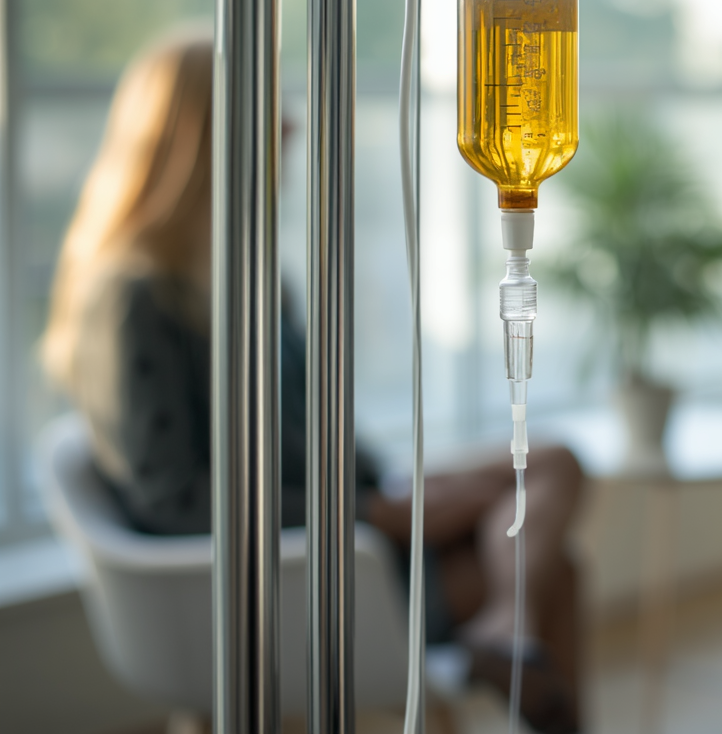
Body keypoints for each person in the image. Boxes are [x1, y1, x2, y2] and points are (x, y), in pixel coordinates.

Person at [41, 37, 585, 734]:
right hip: (292, 575)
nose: (293, 124)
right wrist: (362, 512)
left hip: (343, 525)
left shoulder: (254, 279)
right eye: (272, 106)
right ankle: (509, 628)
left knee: (553, 464)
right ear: (207, 134)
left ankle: (508, 622)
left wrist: (387, 490)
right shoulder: (135, 301)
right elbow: (175, 502)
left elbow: (315, 429)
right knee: (556, 567)